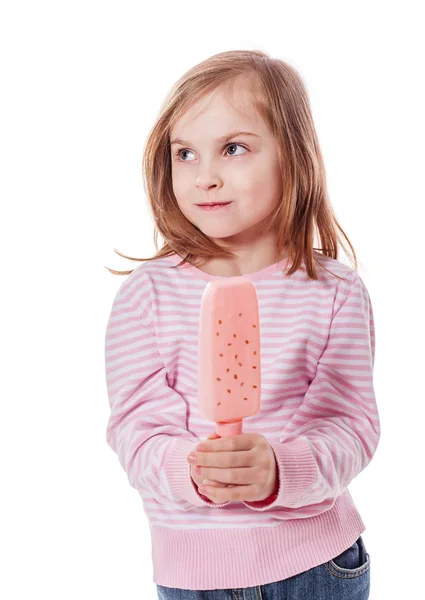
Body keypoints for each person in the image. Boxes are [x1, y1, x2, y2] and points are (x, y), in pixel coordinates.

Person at [104, 49, 379, 599]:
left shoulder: (336, 292)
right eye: (184, 154)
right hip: (193, 577)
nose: (204, 177)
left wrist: (282, 469)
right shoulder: (146, 296)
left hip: (316, 565)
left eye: (233, 148)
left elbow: (351, 426)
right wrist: (192, 470)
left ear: (293, 158)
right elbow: (135, 431)